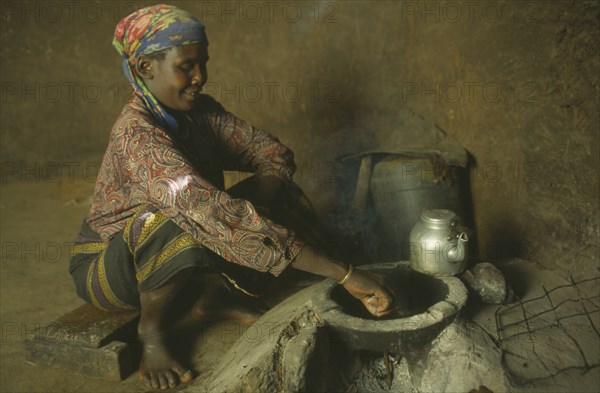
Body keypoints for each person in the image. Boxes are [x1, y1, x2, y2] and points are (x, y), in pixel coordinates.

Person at [69, 4, 394, 390]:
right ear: (145, 68)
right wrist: (344, 273)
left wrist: (266, 205)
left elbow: (271, 154)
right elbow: (209, 213)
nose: (200, 77)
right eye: (186, 66)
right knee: (184, 218)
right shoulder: (136, 135)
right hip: (107, 266)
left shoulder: (200, 113)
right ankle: (151, 334)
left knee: (263, 198)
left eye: (202, 63)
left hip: (181, 246)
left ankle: (212, 299)